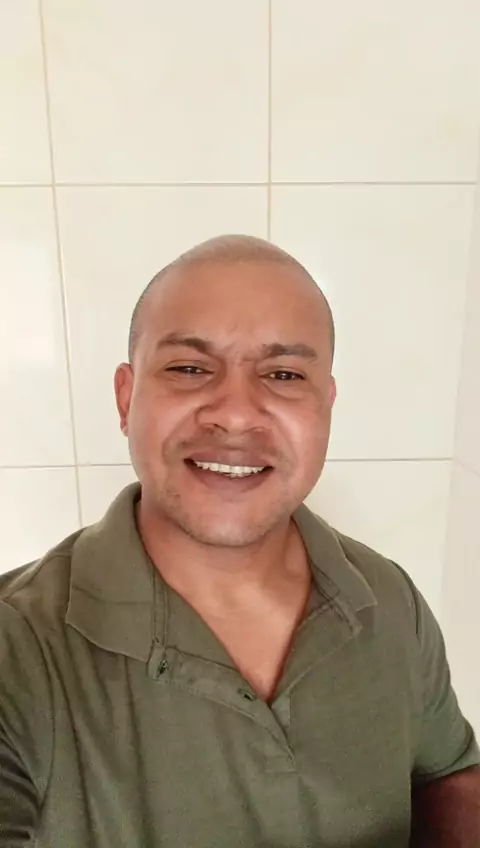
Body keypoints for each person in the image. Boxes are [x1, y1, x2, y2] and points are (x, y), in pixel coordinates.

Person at [0, 234, 479, 848]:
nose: (235, 414)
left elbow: (447, 773)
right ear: (126, 398)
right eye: (189, 369)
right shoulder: (18, 650)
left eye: (283, 375)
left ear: (326, 406)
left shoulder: (389, 597)